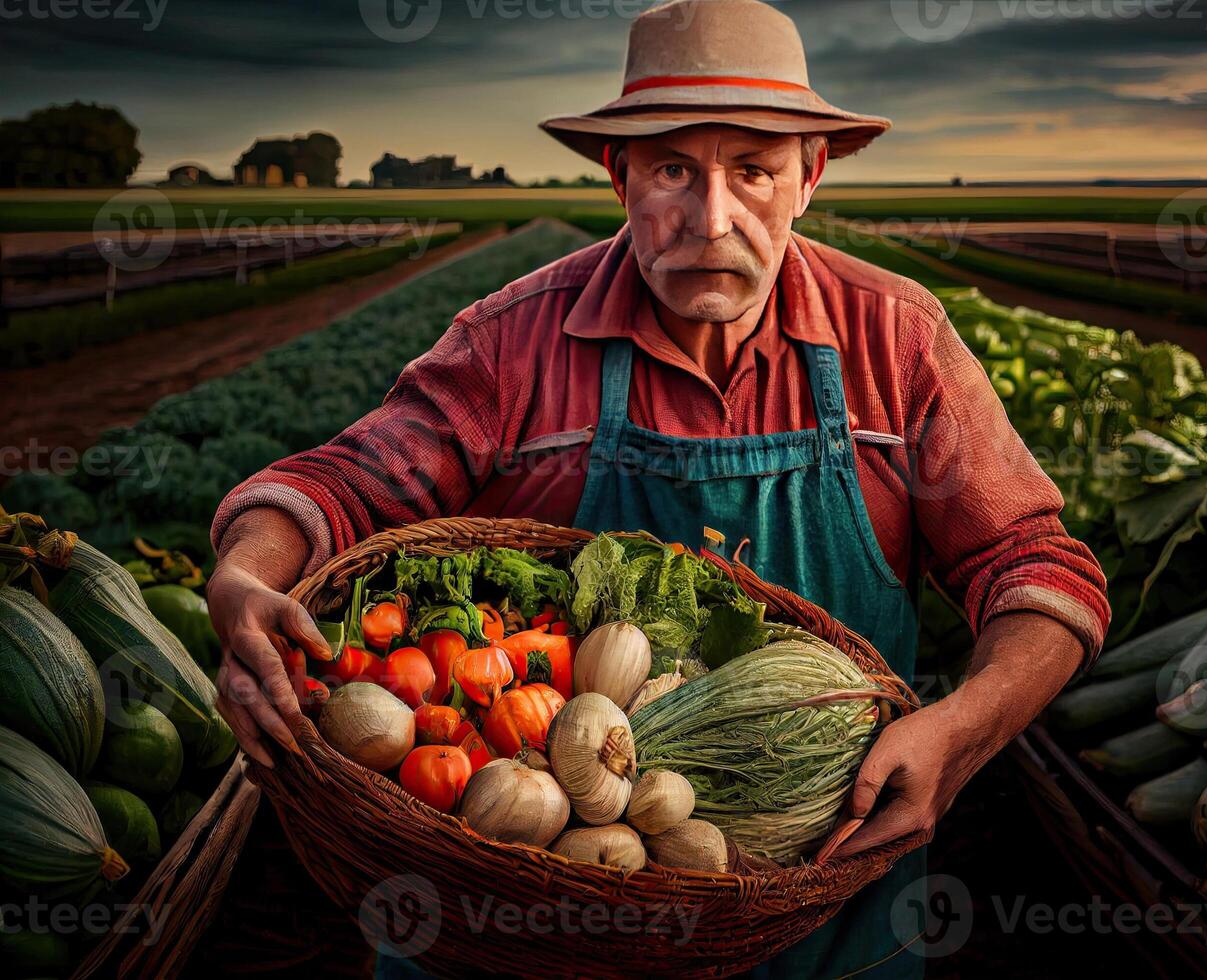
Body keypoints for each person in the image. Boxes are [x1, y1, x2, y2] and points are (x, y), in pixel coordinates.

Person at [206, 1, 1110, 976]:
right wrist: (250, 574)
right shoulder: (512, 342)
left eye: (754, 169)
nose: (711, 218)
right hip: (536, 901)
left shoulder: (896, 342)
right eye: (674, 168)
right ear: (619, 174)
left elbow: (1033, 562)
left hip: (821, 896)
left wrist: (961, 732)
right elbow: (340, 485)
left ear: (809, 176)